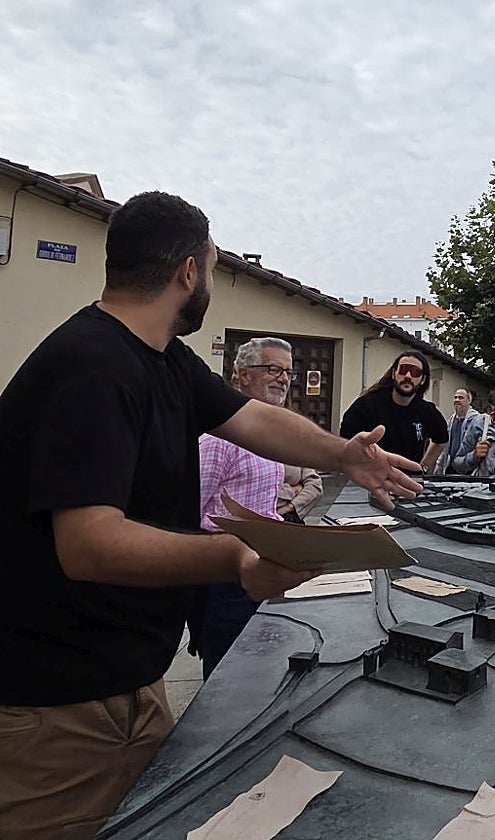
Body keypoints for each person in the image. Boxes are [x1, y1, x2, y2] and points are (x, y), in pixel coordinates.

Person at [0, 191, 422, 840]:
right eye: (214, 265)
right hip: (55, 712)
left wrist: (346, 454)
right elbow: (88, 544)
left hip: (128, 686)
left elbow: (251, 419)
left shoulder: (162, 359)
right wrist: (232, 557)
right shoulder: (92, 367)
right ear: (188, 272)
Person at [193, 337, 298, 678]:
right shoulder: (217, 440)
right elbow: (189, 515)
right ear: (241, 376)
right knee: (225, 677)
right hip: (226, 580)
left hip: (266, 569)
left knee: (260, 672)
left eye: (287, 371)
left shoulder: (269, 438)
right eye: (272, 368)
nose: (282, 378)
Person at [340, 351, 449, 472]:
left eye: (415, 372)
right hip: (372, 481)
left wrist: (423, 467)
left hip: (410, 482)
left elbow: (442, 439)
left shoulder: (426, 411)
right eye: (403, 369)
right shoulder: (366, 405)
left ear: (422, 380)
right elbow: (346, 442)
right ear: (393, 374)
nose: (408, 376)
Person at [437, 387, 481, 474]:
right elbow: (445, 445)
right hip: (451, 467)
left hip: (468, 470)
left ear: (469, 401)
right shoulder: (451, 420)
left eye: (460, 397)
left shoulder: (477, 420)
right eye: (455, 397)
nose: (457, 400)